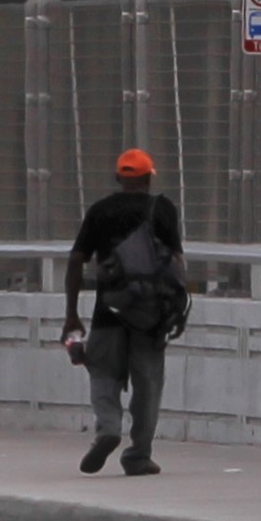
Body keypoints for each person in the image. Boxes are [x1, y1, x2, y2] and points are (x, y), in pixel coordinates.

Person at [61, 147, 188, 478]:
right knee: (148, 383)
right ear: (148, 178)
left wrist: (71, 314)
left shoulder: (101, 211)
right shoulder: (162, 209)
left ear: (119, 177)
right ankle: (138, 455)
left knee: (102, 372)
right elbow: (176, 261)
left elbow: (76, 260)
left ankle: (108, 429)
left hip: (108, 311)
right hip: (149, 316)